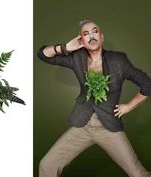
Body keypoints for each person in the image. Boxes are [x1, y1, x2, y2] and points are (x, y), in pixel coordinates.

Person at [37, 20, 151, 177]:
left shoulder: (118, 60)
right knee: (47, 164)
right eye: (86, 33)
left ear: (102, 37)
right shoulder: (76, 58)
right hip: (82, 124)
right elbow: (43, 55)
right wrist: (66, 48)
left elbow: (147, 84)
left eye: (94, 31)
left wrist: (128, 106)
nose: (91, 35)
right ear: (81, 41)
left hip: (109, 127)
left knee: (138, 174)